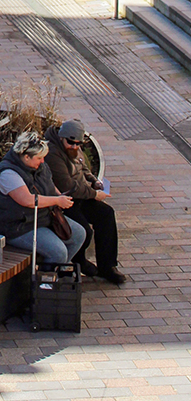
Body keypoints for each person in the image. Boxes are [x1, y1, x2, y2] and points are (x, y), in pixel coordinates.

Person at [45, 120, 126, 284]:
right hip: (65, 200)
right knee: (83, 231)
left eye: (78, 144)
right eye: (71, 143)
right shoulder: (53, 153)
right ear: (62, 138)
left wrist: (94, 180)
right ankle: (79, 260)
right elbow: (67, 185)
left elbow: (83, 168)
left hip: (81, 196)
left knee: (106, 214)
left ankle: (108, 266)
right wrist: (94, 194)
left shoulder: (73, 148)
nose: (74, 147)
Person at [0, 131, 86, 264]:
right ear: (26, 157)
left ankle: (56, 271)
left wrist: (60, 196)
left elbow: (49, 185)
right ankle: (45, 279)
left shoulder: (38, 166)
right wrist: (57, 200)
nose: (43, 161)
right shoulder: (8, 174)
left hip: (42, 218)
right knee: (58, 252)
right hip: (20, 227)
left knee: (79, 234)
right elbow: (28, 200)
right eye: (39, 158)